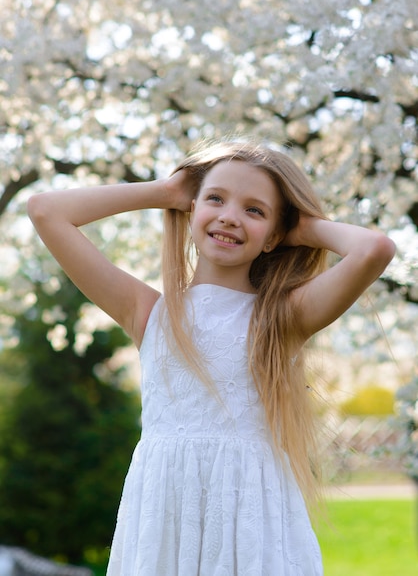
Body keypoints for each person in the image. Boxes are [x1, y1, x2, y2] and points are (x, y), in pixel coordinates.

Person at [28, 139, 396, 575]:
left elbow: (374, 249)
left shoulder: (281, 318)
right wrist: (163, 193)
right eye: (216, 199)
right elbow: (45, 210)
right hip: (163, 516)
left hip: (249, 521)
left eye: (254, 210)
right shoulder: (149, 312)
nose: (229, 216)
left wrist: (301, 227)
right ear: (192, 206)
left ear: (274, 236)